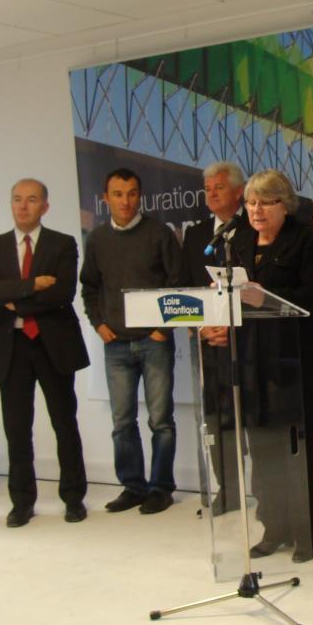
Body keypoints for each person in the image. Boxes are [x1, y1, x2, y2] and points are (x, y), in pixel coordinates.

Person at [203, 169, 313, 561]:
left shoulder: (308, 239)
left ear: (284, 205)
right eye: (251, 203)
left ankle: (308, 536)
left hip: (292, 360)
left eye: (265, 202)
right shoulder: (238, 240)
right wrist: (217, 320)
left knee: (298, 452)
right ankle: (273, 528)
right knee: (262, 452)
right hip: (250, 361)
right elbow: (230, 297)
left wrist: (264, 296)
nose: (256, 210)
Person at [0, 178, 90, 527]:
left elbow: (63, 293)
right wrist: (33, 284)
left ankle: (73, 498)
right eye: (16, 200)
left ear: (45, 206)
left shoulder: (63, 244)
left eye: (31, 200)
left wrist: (11, 296)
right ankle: (22, 501)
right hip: (9, 347)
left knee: (64, 422)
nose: (23, 206)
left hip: (51, 344)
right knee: (17, 427)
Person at [80, 168, 182, 515]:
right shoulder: (96, 240)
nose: (126, 201)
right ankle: (133, 486)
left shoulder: (159, 234)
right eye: (118, 194)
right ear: (105, 198)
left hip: (154, 342)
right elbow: (90, 287)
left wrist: (162, 329)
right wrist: (98, 324)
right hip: (116, 345)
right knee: (122, 422)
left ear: (141, 196)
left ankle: (161, 488)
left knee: (161, 421)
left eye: (132, 193)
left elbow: (177, 284)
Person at [177, 161, 251, 515]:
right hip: (209, 344)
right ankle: (228, 491)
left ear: (239, 192)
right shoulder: (196, 235)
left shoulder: (255, 228)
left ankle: (266, 493)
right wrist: (200, 327)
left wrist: (235, 327)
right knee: (217, 418)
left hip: (250, 344)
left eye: (218, 187)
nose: (211, 193)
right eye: (207, 187)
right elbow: (183, 288)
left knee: (254, 418)